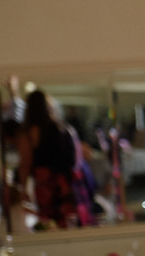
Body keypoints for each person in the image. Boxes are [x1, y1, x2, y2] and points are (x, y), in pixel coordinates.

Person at [16, 90, 95, 228]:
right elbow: (77, 159)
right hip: (65, 180)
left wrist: (22, 188)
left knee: (50, 221)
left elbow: (26, 162)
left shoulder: (30, 132)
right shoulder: (62, 128)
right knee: (70, 219)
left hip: (44, 182)